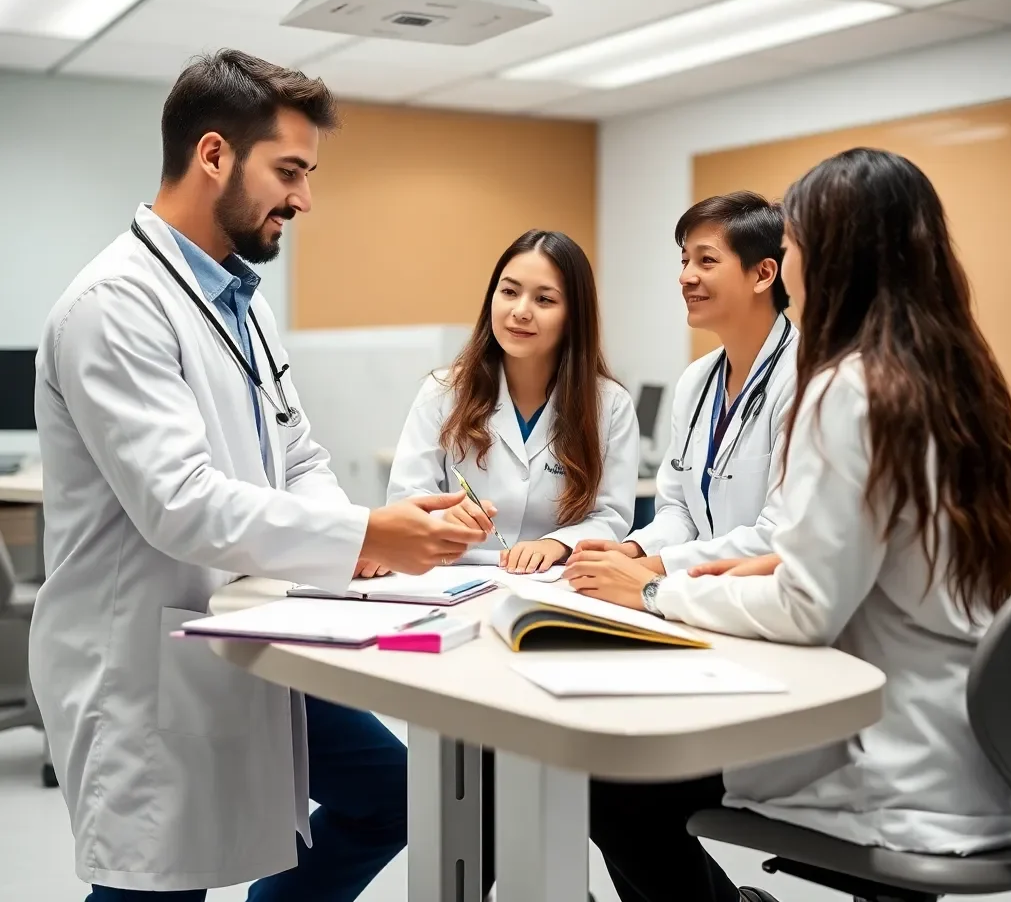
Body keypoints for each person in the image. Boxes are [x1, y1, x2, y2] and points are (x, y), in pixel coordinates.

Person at [29, 49, 487, 901]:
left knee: (392, 796)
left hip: (251, 634)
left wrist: (363, 546)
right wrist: (363, 533)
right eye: (290, 171)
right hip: (147, 664)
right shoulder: (114, 305)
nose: (305, 199)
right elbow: (179, 502)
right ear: (213, 156)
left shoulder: (243, 303)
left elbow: (298, 454)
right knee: (157, 886)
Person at [568, 148, 1011, 902]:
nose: (791, 263)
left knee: (615, 783)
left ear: (834, 256)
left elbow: (808, 607)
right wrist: (724, 569)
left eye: (797, 246)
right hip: (977, 749)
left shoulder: (846, 387)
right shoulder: (955, 378)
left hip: (890, 757)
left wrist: (652, 594)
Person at [386, 228, 639, 896]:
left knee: (552, 778)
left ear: (573, 315)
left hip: (556, 613)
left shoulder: (608, 405)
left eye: (544, 298)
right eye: (509, 291)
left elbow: (616, 516)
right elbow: (405, 502)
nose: (520, 311)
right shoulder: (444, 391)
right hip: (460, 608)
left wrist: (559, 542)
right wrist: (446, 517)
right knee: (473, 788)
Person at [570, 192, 797, 589]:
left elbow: (778, 534)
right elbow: (679, 509)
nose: (685, 276)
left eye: (706, 260)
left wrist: (658, 566)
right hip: (699, 593)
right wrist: (636, 550)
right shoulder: (697, 380)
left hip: (767, 600)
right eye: (684, 260)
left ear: (764, 274)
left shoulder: (805, 378)